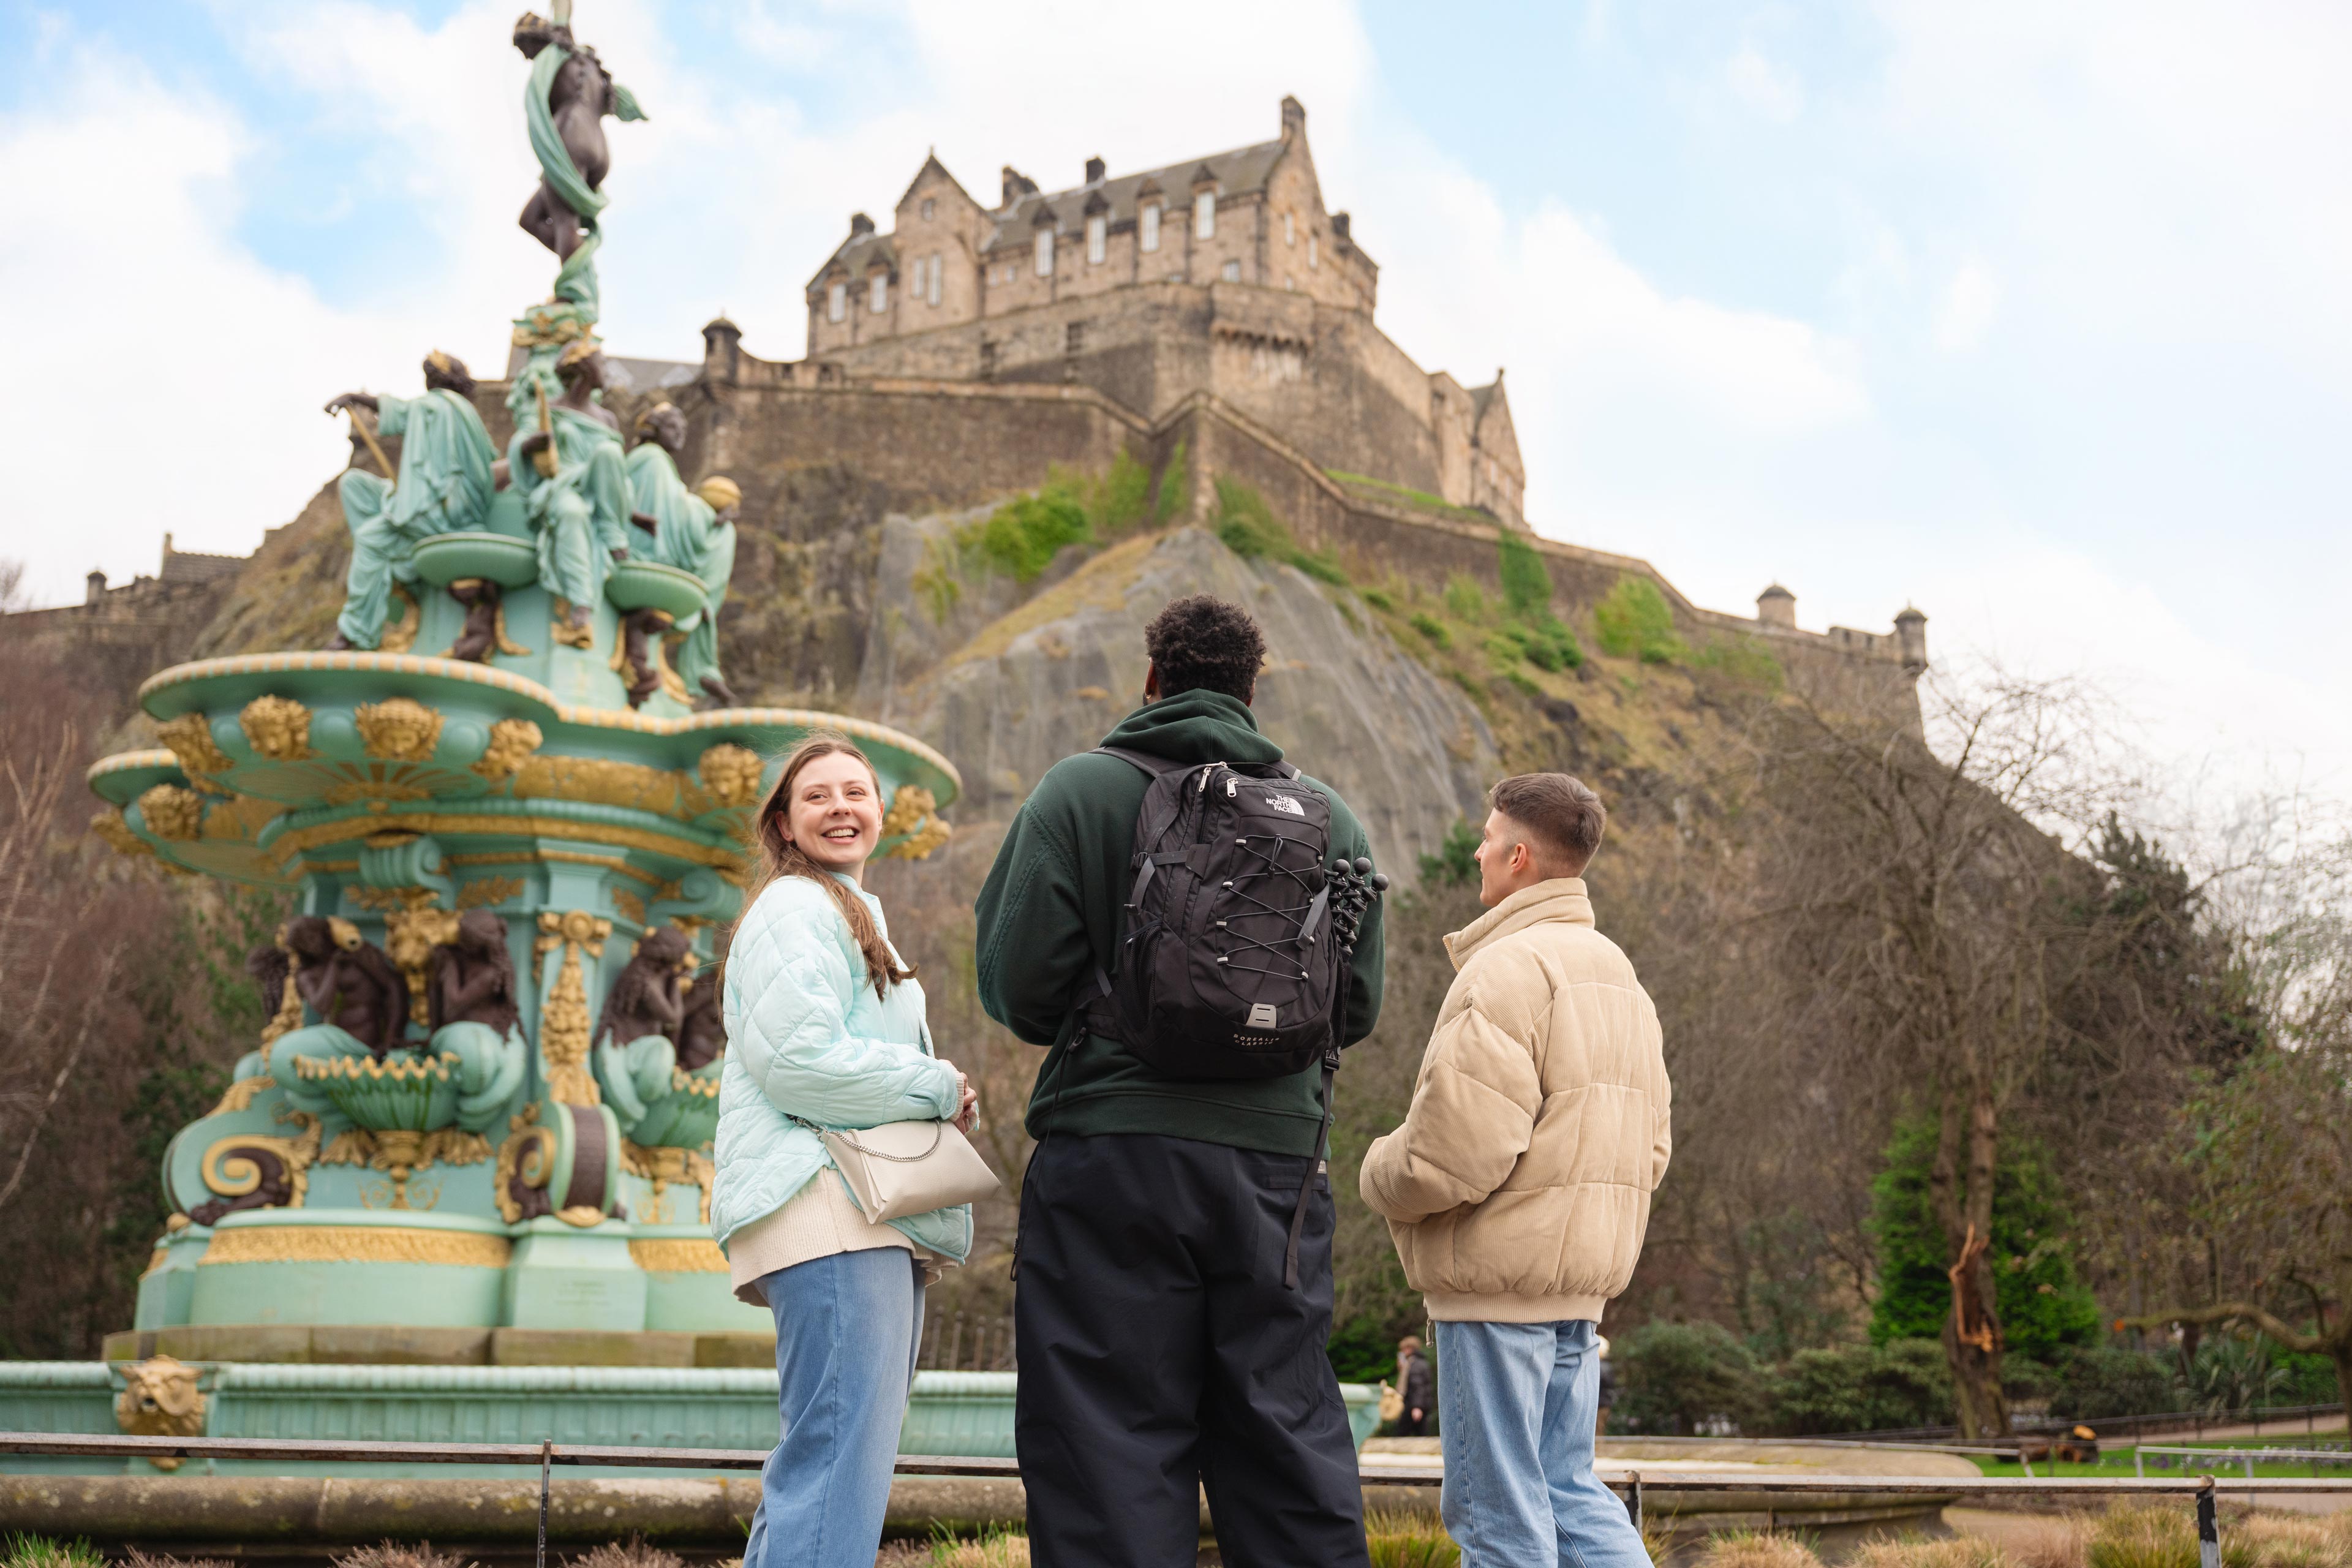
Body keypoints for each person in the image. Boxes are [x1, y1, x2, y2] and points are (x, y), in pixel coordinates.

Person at [974, 593, 1385, 1568]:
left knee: (1107, 1447)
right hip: (1277, 1182)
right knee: (1286, 1443)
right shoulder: (1333, 819)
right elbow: (1354, 1011)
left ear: (1151, 679)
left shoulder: (1079, 791)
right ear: (1256, 689)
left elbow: (1017, 990)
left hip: (1113, 1160)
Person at [1360, 773, 1671, 1568]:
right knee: (1569, 1493)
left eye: (1489, 837)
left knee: (1499, 1519)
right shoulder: (1622, 980)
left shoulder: (1506, 970)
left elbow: (1452, 1153)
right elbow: (1653, 1149)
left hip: (1497, 1289)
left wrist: (1376, 1173)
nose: (1477, 849)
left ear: (1521, 857)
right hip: (1580, 1289)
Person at [711, 734, 981, 1568]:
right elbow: (796, 1063)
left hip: (850, 1211)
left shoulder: (843, 910)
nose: (841, 808)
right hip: (829, 1207)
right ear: (785, 825)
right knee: (836, 1465)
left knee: (828, 1463)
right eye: (818, 796)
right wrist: (935, 1085)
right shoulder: (796, 909)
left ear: (880, 813)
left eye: (856, 793)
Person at [322, 352, 497, 650]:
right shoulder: (460, 412)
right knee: (355, 484)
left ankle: (356, 634)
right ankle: (395, 564)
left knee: (371, 539)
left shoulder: (440, 404)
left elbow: (399, 410)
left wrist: (356, 397)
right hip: (432, 500)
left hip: (441, 510)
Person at [511, 338, 632, 634]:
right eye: (601, 363)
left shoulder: (608, 418)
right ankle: (582, 603)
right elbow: (518, 444)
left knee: (608, 452)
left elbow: (617, 473)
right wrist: (530, 444)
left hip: (600, 488)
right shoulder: (549, 409)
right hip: (561, 486)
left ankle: (610, 529)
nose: (606, 370)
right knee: (571, 513)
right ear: (585, 367)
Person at [1397, 1333, 1436, 1437]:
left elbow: (1418, 1387)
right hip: (1417, 1404)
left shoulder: (1415, 1365)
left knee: (1403, 1433)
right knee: (1420, 1434)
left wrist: (1417, 1407)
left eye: (1404, 1349)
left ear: (1410, 1349)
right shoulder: (1413, 1363)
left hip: (1414, 1405)